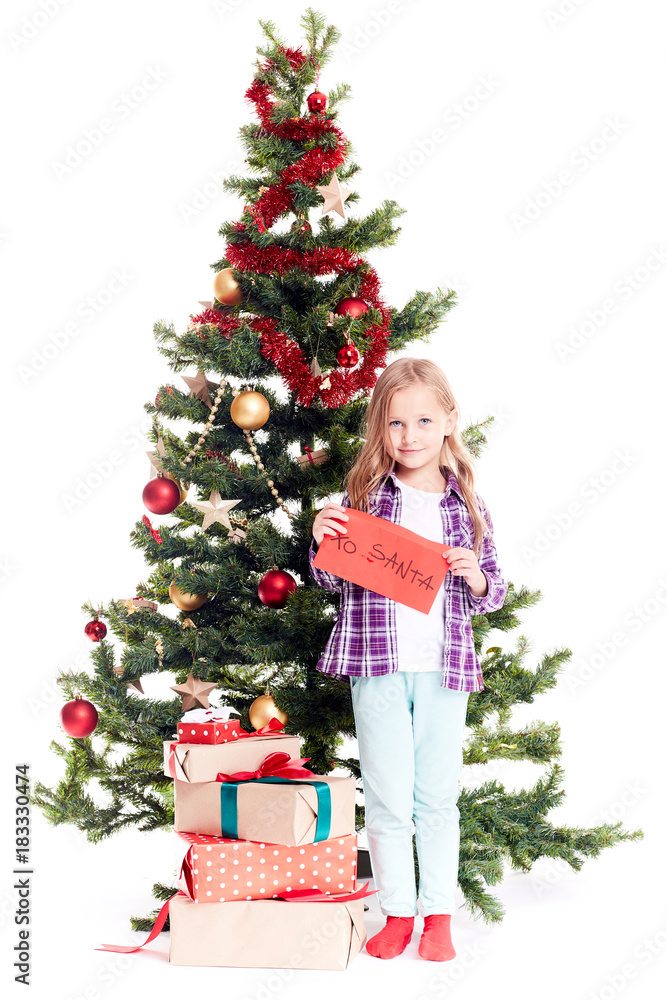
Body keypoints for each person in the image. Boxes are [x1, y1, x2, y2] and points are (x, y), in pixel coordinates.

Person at [308, 357, 507, 961]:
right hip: (378, 667)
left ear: (448, 420)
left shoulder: (465, 506)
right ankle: (396, 911)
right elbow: (329, 582)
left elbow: (495, 588)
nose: (410, 436)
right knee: (389, 796)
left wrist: (475, 578)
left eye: (423, 420)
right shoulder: (363, 499)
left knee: (436, 798)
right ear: (380, 428)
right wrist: (322, 542)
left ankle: (437, 915)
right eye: (396, 424)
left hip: (445, 671)